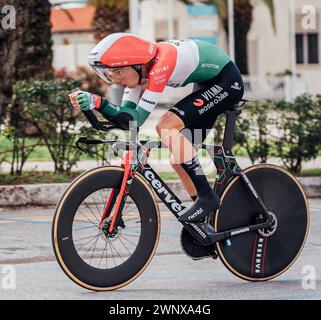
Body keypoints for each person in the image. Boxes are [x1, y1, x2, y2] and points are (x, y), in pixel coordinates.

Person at [69, 33, 244, 223]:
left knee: (166, 126)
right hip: (207, 84)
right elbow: (128, 120)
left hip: (227, 82)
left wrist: (99, 103)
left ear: (136, 64)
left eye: (118, 72)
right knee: (178, 160)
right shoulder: (138, 72)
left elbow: (139, 118)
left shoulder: (161, 65)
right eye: (110, 74)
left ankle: (207, 197)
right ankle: (208, 220)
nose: (115, 79)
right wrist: (95, 106)